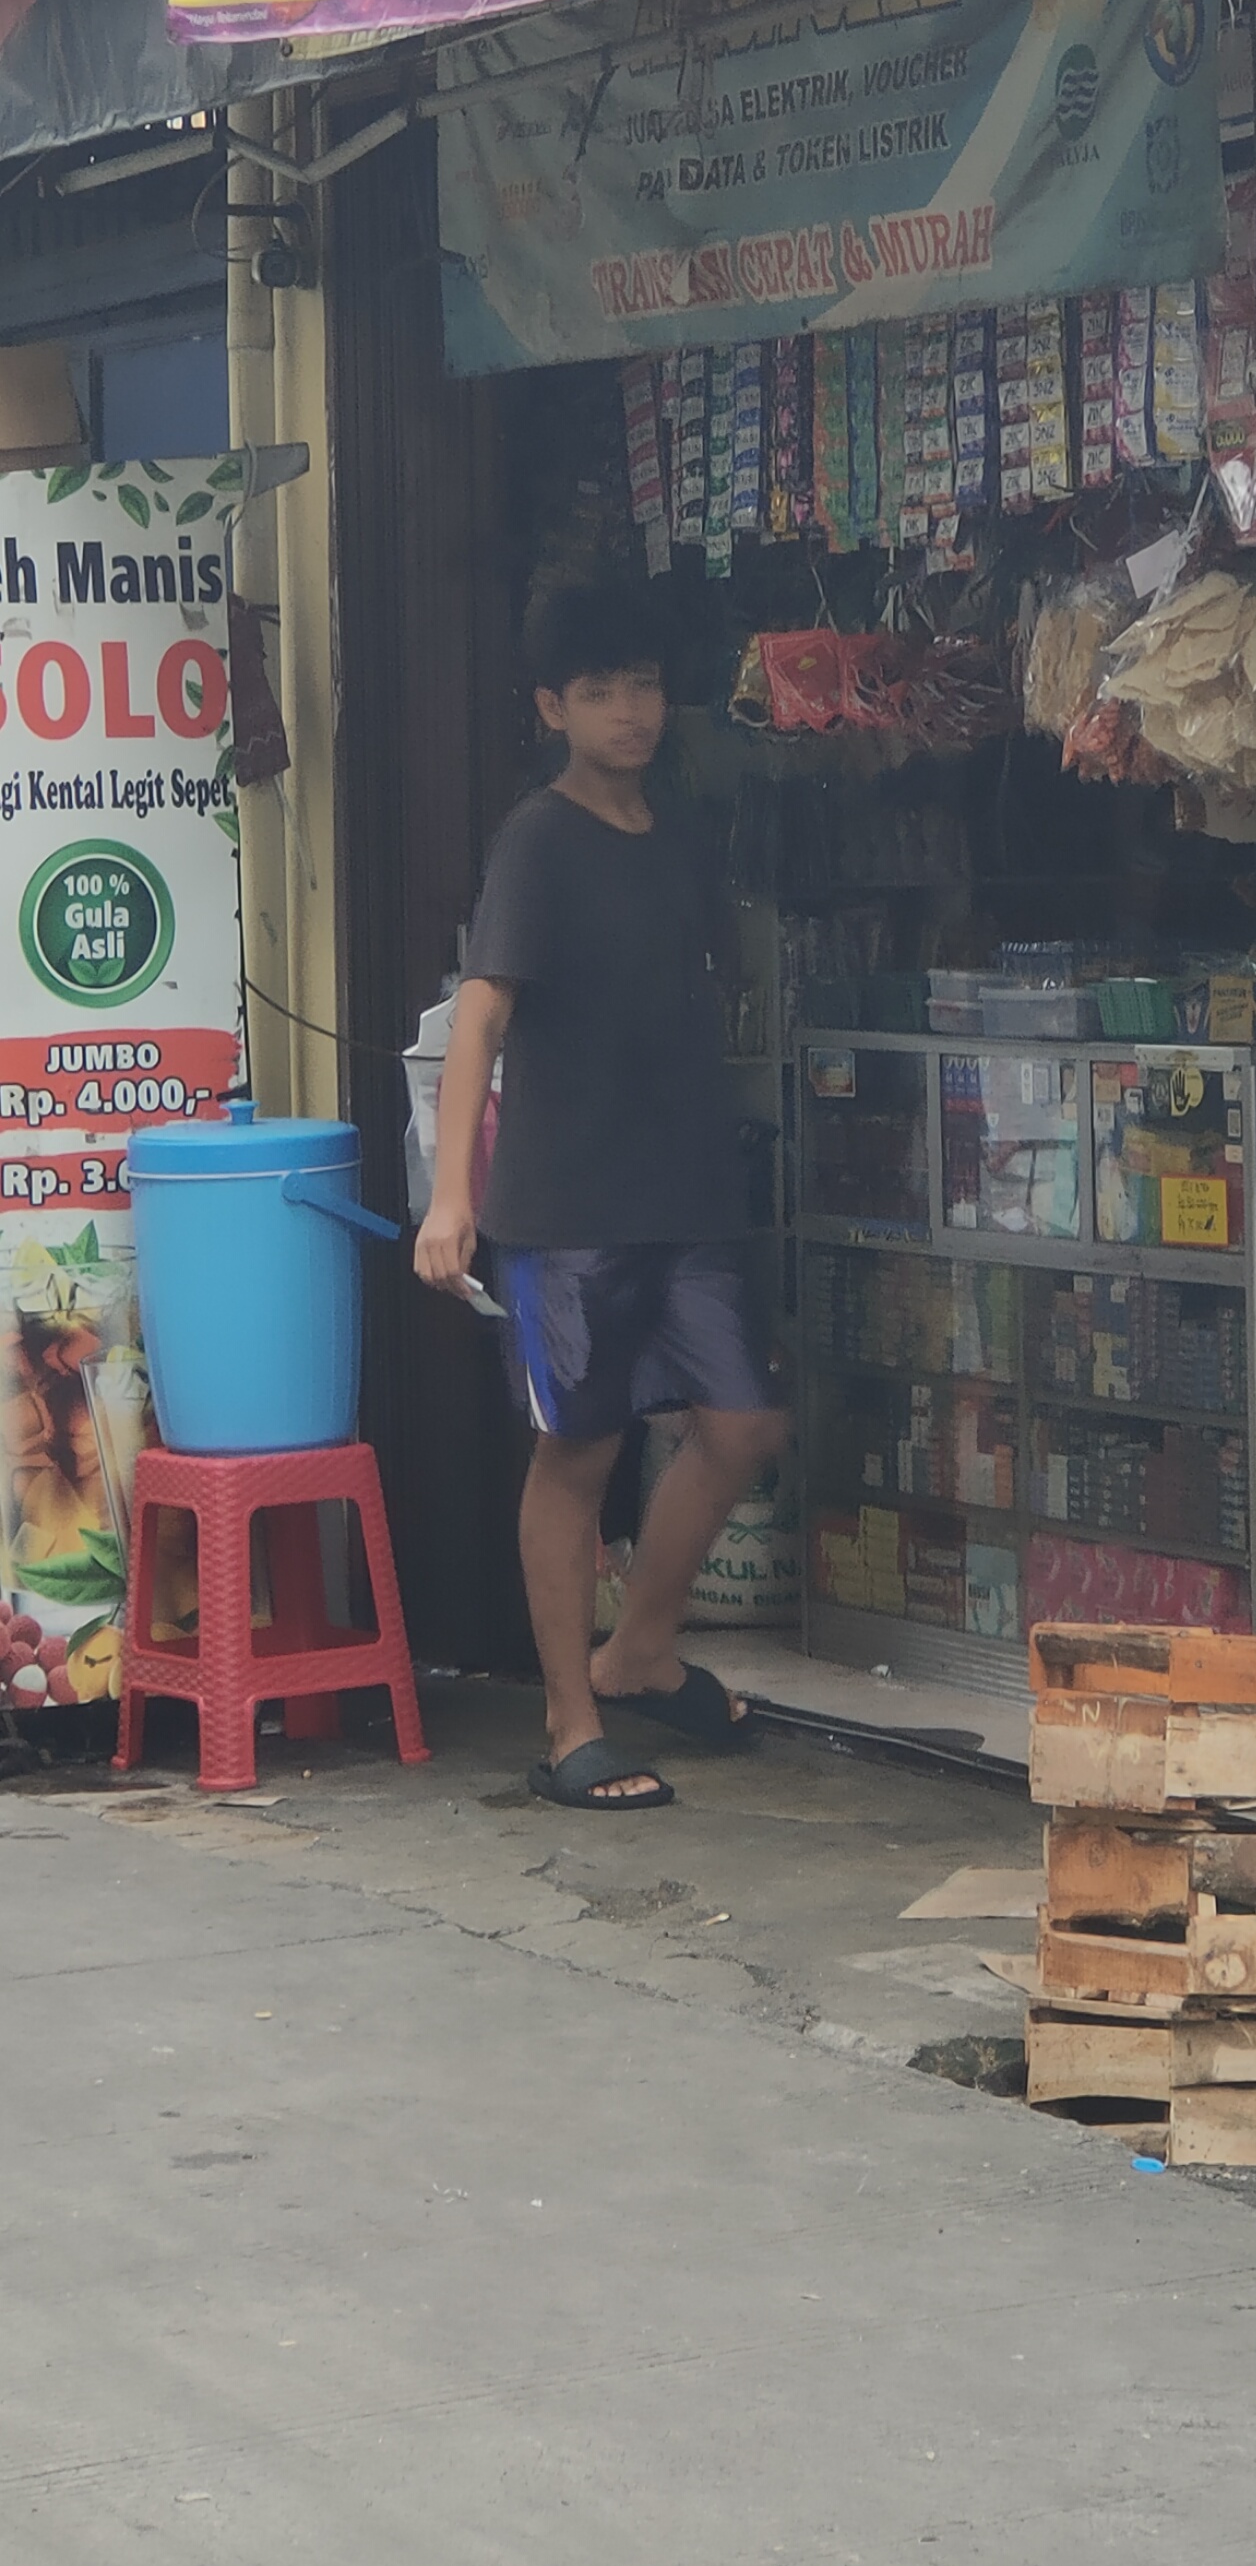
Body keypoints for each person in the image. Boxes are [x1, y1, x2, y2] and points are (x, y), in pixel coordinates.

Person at [415, 579, 787, 1812]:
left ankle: (641, 1651)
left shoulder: (680, 832)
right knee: (579, 1451)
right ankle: (571, 1720)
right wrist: (451, 1198)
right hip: (566, 1207)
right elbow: (480, 1021)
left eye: (643, 686)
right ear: (551, 707)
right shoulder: (537, 839)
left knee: (743, 1427)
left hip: (687, 1192)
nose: (628, 710)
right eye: (598, 691)